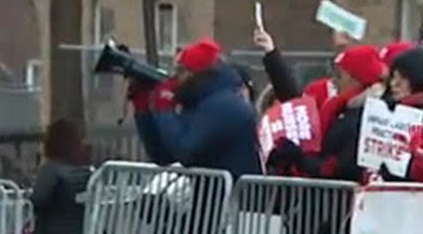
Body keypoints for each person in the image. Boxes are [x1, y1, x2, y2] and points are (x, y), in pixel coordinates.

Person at [135, 38, 262, 179]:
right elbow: (163, 155)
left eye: (181, 70)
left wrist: (165, 108)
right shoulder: (198, 102)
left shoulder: (224, 105)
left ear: (196, 74)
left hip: (233, 197)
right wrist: (143, 110)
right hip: (211, 196)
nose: (175, 78)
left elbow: (186, 152)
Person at [267, 44, 387, 183]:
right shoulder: (341, 109)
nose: (334, 81)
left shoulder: (367, 117)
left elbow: (342, 168)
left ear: (356, 79)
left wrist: (301, 159)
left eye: (340, 75)